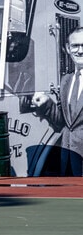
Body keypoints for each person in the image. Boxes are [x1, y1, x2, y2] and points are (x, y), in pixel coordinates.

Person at [32, 27, 83, 176]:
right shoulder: (66, 80)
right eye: (75, 46)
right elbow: (65, 123)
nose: (80, 51)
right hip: (68, 158)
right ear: (68, 48)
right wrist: (47, 103)